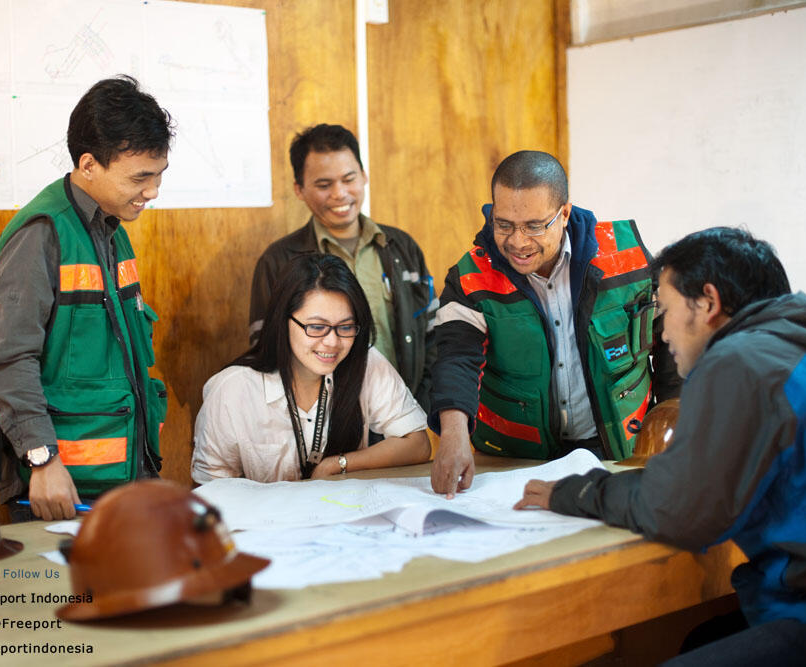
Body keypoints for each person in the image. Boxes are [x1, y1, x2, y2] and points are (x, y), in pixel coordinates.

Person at [516, 227, 806, 666]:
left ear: (709, 303)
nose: (661, 334)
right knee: (699, 636)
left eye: (665, 308)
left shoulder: (740, 360)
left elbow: (680, 510)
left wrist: (576, 493)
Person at [0, 75, 174, 520]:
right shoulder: (42, 234)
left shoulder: (110, 228)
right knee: (61, 593)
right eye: (140, 177)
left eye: (160, 175)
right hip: (59, 486)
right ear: (89, 165)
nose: (153, 191)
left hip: (119, 480)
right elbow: (9, 359)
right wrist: (42, 460)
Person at [430, 150, 680, 496]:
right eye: (503, 224)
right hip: (517, 460)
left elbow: (672, 342)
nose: (518, 241)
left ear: (563, 214)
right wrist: (454, 438)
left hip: (616, 449)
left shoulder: (625, 257)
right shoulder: (471, 276)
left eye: (534, 226)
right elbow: (456, 358)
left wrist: (672, 421)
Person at [193, 254, 431, 483]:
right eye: (317, 327)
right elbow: (210, 490)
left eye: (346, 327)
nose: (332, 342)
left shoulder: (365, 361)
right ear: (282, 321)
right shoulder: (232, 389)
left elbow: (418, 443)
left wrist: (337, 464)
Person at [249, 124, 436, 409]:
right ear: (299, 189)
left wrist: (420, 404)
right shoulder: (279, 261)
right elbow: (266, 352)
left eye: (349, 178)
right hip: (321, 423)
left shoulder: (402, 247)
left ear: (364, 175)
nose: (340, 194)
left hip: (401, 414)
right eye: (324, 185)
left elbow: (434, 335)